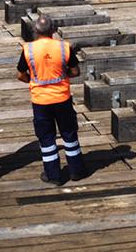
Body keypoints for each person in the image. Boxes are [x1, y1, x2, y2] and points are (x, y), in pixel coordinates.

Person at [17, 15, 86, 185]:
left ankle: (53, 175)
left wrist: (32, 81)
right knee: (69, 134)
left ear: (35, 31)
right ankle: (76, 171)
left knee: (47, 139)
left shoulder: (28, 49)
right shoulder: (64, 48)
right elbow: (75, 71)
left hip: (41, 101)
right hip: (62, 98)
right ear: (54, 31)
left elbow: (20, 74)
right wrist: (64, 76)